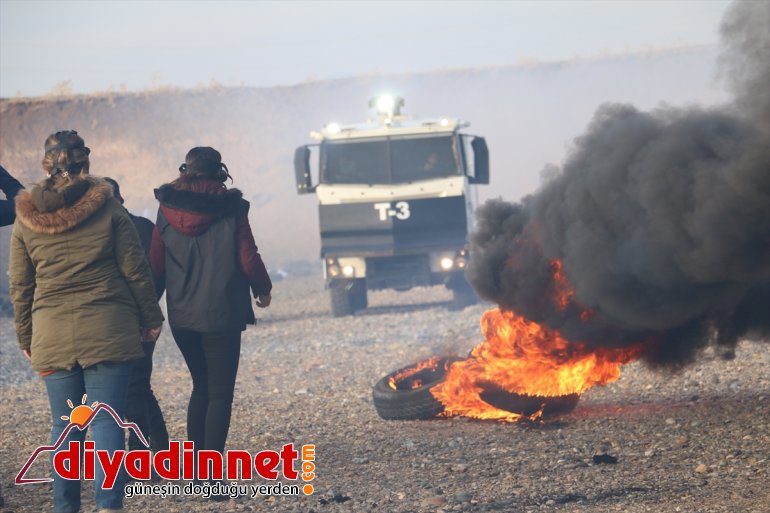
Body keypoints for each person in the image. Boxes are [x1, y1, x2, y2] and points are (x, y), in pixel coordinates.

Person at [9, 131, 164, 513]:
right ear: (85, 164)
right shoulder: (109, 209)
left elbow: (21, 285)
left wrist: (26, 336)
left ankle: (66, 508)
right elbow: (136, 270)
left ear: (46, 165)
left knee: (65, 428)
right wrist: (151, 317)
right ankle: (109, 506)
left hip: (51, 333)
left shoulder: (25, 217)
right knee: (108, 423)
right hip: (108, 330)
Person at [149, 147, 271, 485]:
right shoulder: (230, 207)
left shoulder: (166, 208)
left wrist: (148, 310)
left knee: (200, 387)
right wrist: (263, 289)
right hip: (222, 312)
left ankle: (196, 471)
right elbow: (248, 256)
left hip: (182, 315)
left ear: (185, 170)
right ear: (220, 171)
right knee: (219, 393)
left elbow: (156, 265)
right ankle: (212, 478)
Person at [104, 177, 169, 457]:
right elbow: (158, 276)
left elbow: (155, 275)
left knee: (133, 387)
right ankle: (157, 449)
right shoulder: (142, 228)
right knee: (137, 386)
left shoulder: (137, 230)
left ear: (119, 200)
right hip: (133, 318)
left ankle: (142, 454)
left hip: (132, 321)